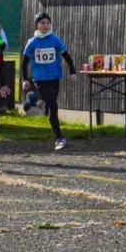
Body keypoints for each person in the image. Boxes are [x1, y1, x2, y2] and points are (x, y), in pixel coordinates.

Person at [20, 11, 77, 150]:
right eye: (42, 23)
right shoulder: (32, 43)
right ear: (37, 25)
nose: (45, 25)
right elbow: (24, 62)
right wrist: (24, 79)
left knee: (50, 105)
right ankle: (59, 138)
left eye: (47, 23)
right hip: (40, 79)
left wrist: (72, 72)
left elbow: (66, 56)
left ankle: (33, 98)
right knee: (53, 106)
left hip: (54, 78)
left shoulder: (55, 39)